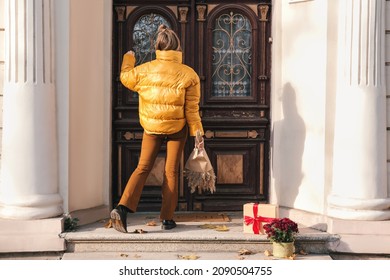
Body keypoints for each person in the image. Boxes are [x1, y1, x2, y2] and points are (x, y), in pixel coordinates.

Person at [110, 24, 204, 233]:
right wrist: (197, 134)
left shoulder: (144, 71)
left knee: (142, 167)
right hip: (177, 128)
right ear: (178, 47)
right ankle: (167, 219)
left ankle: (122, 207)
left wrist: (128, 59)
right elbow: (191, 108)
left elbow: (125, 77)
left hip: (151, 127)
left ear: (157, 47)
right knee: (170, 171)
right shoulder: (189, 74)